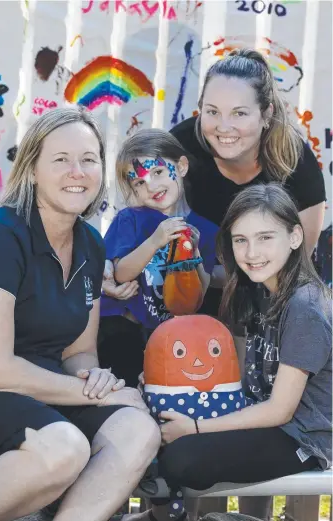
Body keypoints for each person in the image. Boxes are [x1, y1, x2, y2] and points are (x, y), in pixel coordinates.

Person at [0, 107, 161, 521]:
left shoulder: (90, 244)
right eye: (61, 160)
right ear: (33, 170)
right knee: (64, 446)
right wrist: (91, 393)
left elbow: (78, 352)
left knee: (137, 429)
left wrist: (94, 377)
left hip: (45, 395)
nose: (77, 171)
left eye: (88, 160)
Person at [118, 183, 331, 521]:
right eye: (240, 240)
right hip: (264, 419)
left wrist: (197, 427)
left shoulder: (305, 306)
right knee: (147, 435)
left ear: (294, 237)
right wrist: (170, 386)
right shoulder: (257, 293)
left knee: (182, 458)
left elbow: (280, 410)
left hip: (304, 440)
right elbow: (241, 382)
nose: (251, 252)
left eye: (265, 237)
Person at [98, 128, 219, 387]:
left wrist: (194, 254)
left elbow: (200, 294)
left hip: (167, 333)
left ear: (182, 166)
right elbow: (120, 274)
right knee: (127, 385)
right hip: (121, 328)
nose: (151, 186)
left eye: (158, 172)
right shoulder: (131, 219)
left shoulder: (206, 231)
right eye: (139, 182)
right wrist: (155, 240)